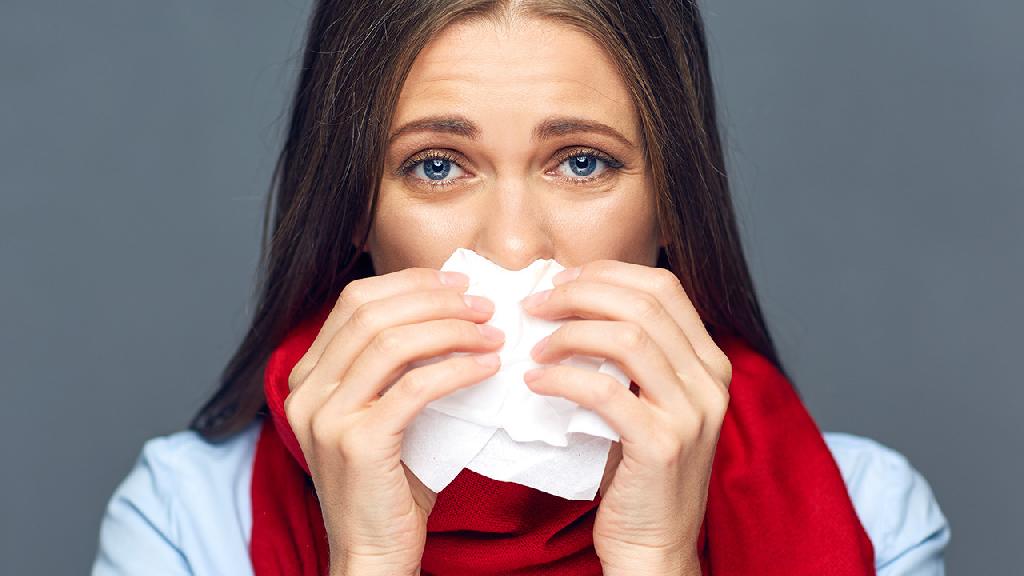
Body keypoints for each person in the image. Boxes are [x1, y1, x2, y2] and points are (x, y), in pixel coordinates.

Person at [91, 1, 950, 575]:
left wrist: (658, 556)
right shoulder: (186, 522)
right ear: (356, 210)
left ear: (673, 209)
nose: (510, 245)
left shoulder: (872, 516)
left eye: (583, 163)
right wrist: (368, 559)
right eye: (436, 165)